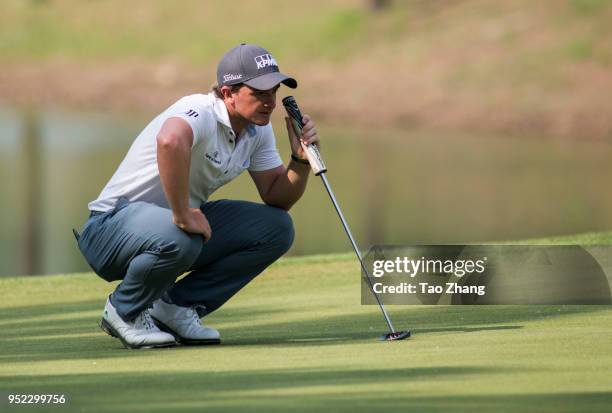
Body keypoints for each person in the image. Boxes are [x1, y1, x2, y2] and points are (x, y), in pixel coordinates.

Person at [74, 43, 320, 349]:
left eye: (274, 92)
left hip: (169, 234)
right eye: (259, 93)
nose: (270, 101)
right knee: (184, 233)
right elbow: (170, 140)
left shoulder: (258, 131)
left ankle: (174, 307)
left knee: (276, 228)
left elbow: (278, 197)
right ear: (229, 93)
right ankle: (124, 310)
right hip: (109, 229)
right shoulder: (199, 110)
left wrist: (299, 160)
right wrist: (182, 213)